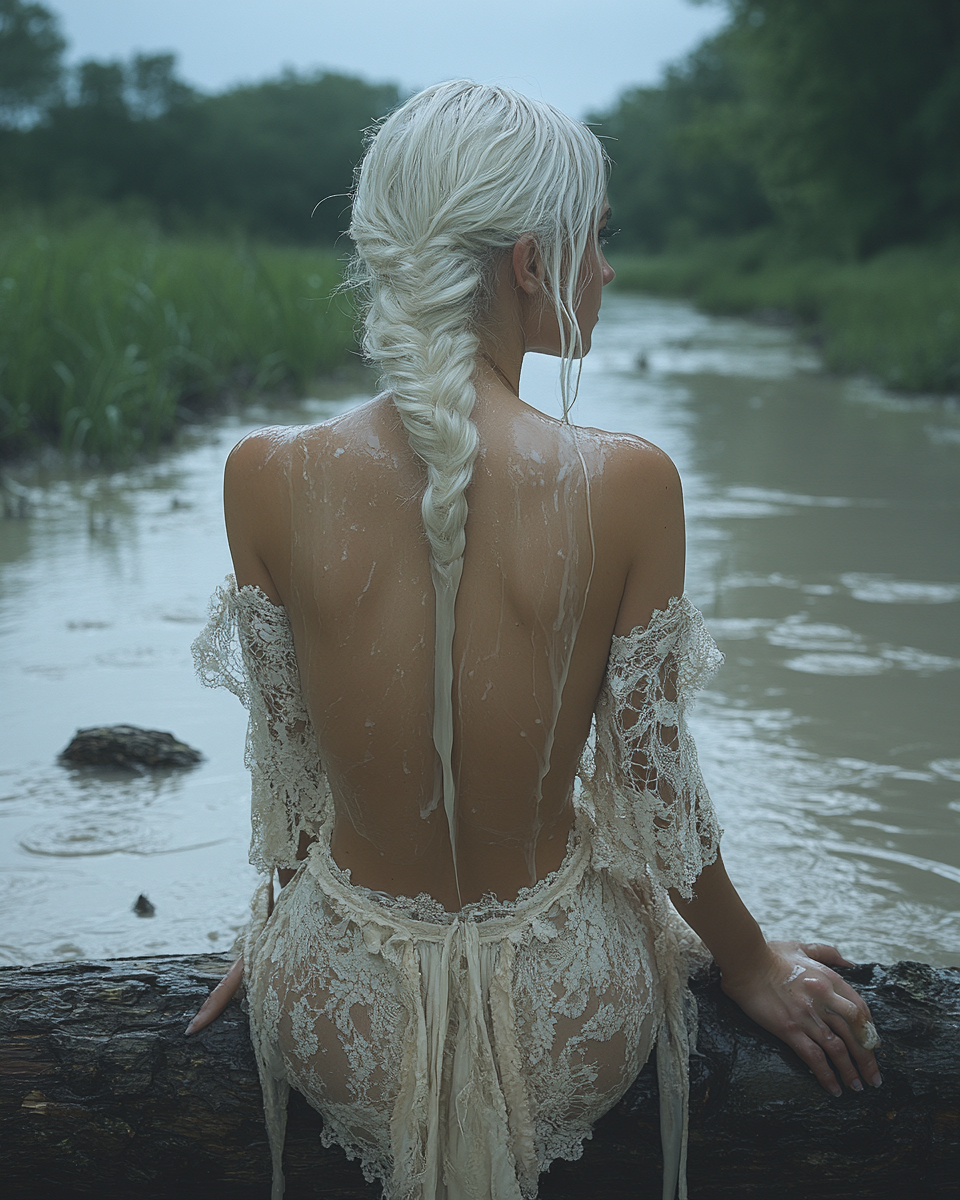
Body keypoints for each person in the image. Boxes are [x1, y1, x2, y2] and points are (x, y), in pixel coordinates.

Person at [188, 80, 881, 1200]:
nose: (606, 270)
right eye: (596, 240)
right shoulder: (629, 479)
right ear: (526, 263)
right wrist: (749, 964)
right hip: (566, 1015)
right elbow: (657, 793)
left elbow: (290, 769)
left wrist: (283, 938)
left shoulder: (265, 472)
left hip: (337, 1011)